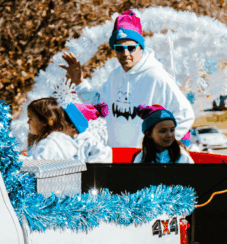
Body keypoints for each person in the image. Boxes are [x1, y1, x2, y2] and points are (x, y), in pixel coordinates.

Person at [61, 10, 195, 148]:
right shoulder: (115, 76)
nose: (125, 53)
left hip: (145, 161)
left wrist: (159, 148)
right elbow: (100, 104)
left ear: (141, 47)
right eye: (119, 48)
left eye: (131, 48)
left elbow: (185, 114)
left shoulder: (156, 77)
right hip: (118, 158)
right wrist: (79, 82)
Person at [26, 98, 112, 162]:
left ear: (73, 126)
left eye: (61, 123)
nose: (58, 126)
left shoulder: (88, 142)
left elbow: (104, 156)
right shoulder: (60, 141)